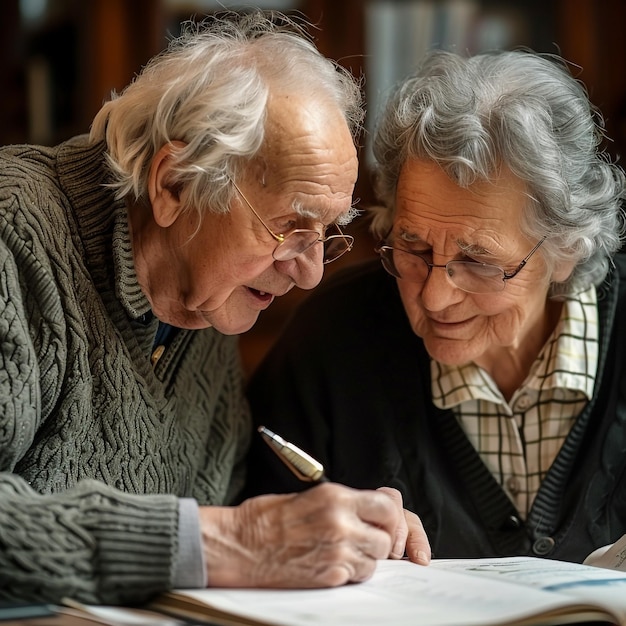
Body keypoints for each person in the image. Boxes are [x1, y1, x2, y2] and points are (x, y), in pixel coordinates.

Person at [0, 10, 431, 606]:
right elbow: (210, 542)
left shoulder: (206, 305)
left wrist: (339, 537)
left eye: (325, 237)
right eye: (288, 229)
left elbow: (209, 533)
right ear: (174, 184)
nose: (307, 275)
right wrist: (237, 541)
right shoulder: (14, 233)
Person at [244, 48, 626, 564]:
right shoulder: (332, 341)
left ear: (565, 248)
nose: (434, 296)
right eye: (415, 249)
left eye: (478, 261)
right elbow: (253, 540)